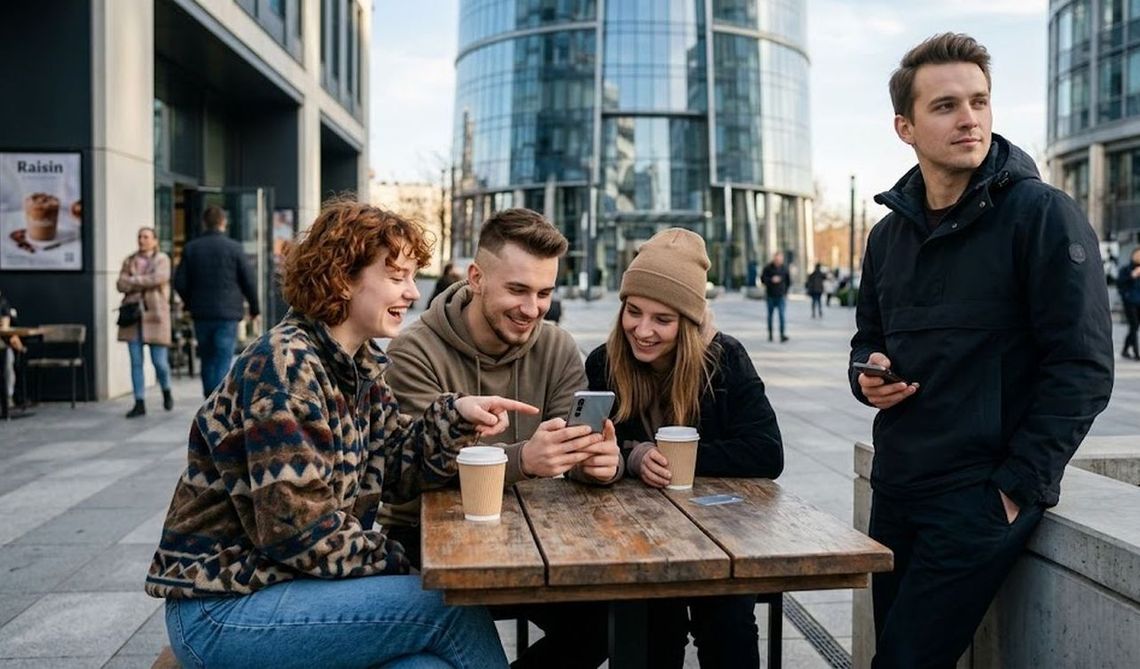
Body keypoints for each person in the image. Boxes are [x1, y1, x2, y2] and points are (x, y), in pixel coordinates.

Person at [146, 201, 535, 669]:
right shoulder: (284, 365)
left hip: (292, 589)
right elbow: (299, 531)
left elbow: (395, 468)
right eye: (397, 276)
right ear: (343, 277)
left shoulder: (358, 367)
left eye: (412, 277)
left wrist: (456, 416)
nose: (413, 292)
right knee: (448, 607)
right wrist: (412, 563)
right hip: (223, 605)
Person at [850, 34, 1114, 668]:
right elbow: (869, 339)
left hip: (977, 499)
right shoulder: (888, 236)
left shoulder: (1042, 215)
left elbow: (1082, 366)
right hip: (899, 486)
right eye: (945, 106)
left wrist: (1016, 488)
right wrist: (869, 375)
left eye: (979, 101)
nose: (969, 118)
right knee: (895, 651)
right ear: (905, 127)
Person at [384, 208, 621, 669]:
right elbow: (416, 466)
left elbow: (568, 449)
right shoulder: (413, 350)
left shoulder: (556, 346)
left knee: (610, 622)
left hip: (538, 534)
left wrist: (595, 464)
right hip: (425, 535)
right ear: (476, 278)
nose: (532, 308)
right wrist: (524, 460)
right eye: (517, 289)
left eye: (544, 293)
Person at [585, 228, 784, 669]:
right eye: (633, 312)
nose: (643, 330)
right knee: (649, 622)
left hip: (720, 530)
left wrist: (681, 462)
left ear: (689, 322)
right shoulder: (604, 362)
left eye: (663, 319)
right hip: (636, 534)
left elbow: (767, 452)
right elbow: (590, 448)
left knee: (727, 622)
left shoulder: (724, 359)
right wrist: (633, 457)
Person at [174, 205, 260, 398]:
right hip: (227, 313)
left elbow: (179, 282)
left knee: (206, 358)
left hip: (201, 313)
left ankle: (209, 396)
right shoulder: (234, 248)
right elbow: (249, 280)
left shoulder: (192, 248)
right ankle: (217, 399)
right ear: (223, 222)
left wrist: (190, 301)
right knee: (223, 357)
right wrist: (255, 308)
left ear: (204, 223)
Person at [117, 227, 174, 418]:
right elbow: (120, 284)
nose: (142, 240)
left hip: (155, 315)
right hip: (132, 317)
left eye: (146, 237)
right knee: (135, 362)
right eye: (139, 236)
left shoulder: (162, 259)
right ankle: (139, 402)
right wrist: (142, 281)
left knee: (160, 362)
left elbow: (159, 278)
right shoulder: (129, 259)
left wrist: (133, 280)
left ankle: (166, 390)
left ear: (155, 240)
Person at [0, 290, 26, 407]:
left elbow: (5, 328)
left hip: (3, 343)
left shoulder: (3, 304)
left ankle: (8, 396)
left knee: (8, 359)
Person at [760, 252, 790, 342]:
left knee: (782, 316)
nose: (778, 261)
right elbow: (762, 280)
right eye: (776, 259)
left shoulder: (784, 268)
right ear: (774, 259)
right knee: (770, 316)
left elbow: (788, 281)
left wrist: (785, 292)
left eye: (780, 259)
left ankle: (782, 335)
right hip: (770, 296)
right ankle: (770, 335)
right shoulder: (768, 268)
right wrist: (771, 280)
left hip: (781, 296)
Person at [1117, 248, 1140, 360]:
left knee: (1134, 327)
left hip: (1139, 302)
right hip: (1130, 302)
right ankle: (1136, 353)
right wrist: (1132, 276)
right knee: (1134, 326)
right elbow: (1120, 284)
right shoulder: (1126, 270)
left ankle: (1125, 349)